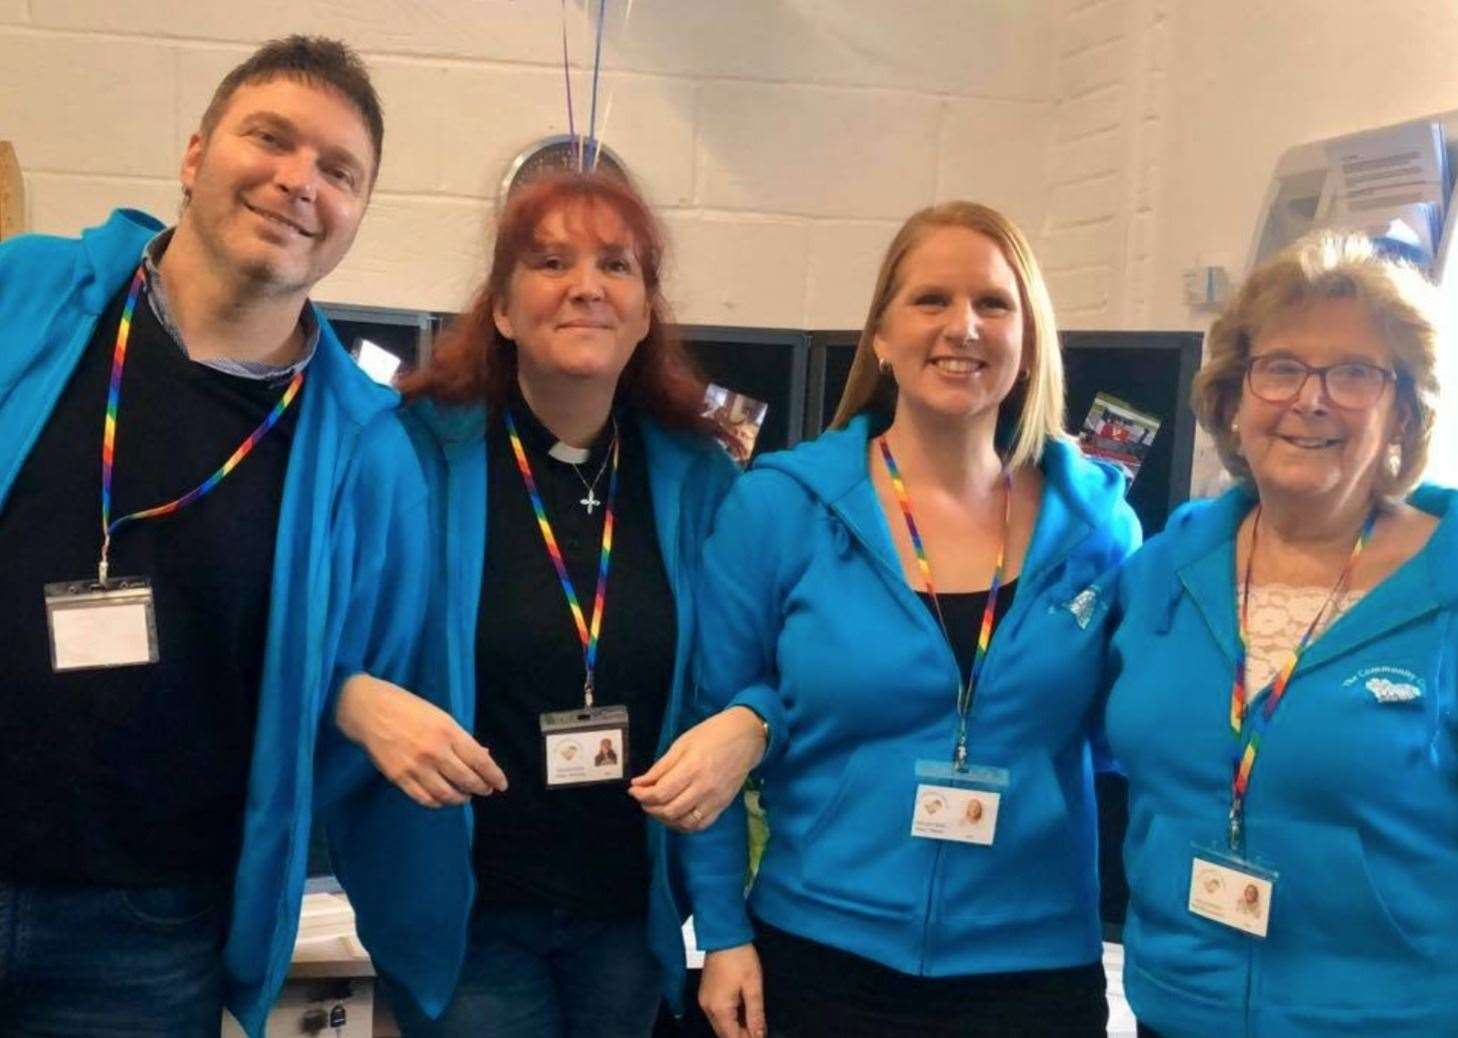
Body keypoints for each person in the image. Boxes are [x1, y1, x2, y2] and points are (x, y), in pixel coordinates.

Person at [0, 35, 416, 1038]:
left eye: (339, 171)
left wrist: (344, 691)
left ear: (356, 217)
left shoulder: (367, 450)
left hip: (142, 936)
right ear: (194, 157)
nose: (297, 181)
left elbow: (355, 687)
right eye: (268, 137)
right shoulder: (26, 294)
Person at [684, 201, 1141, 1038]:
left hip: (1034, 970)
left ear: (1028, 341)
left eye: (993, 304)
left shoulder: (1101, 529)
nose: (961, 327)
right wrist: (721, 932)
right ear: (882, 338)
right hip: (823, 957)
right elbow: (707, 725)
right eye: (931, 300)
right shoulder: (781, 508)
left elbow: (1133, 735)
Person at [331, 169, 763, 1037]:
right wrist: (350, 698)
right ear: (500, 307)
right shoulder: (409, 458)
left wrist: (754, 722)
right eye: (550, 261)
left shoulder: (701, 481)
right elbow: (308, 634)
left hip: (627, 920)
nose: (584, 287)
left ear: (645, 312)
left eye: (616, 265)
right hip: (469, 917)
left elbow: (732, 693)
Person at [1104, 232, 1456, 1037]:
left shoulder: (1445, 581)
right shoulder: (1163, 570)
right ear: (1233, 398)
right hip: (1172, 1007)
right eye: (1282, 367)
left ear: (1404, 408)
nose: (1312, 398)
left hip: (1385, 1020)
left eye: (1356, 373)